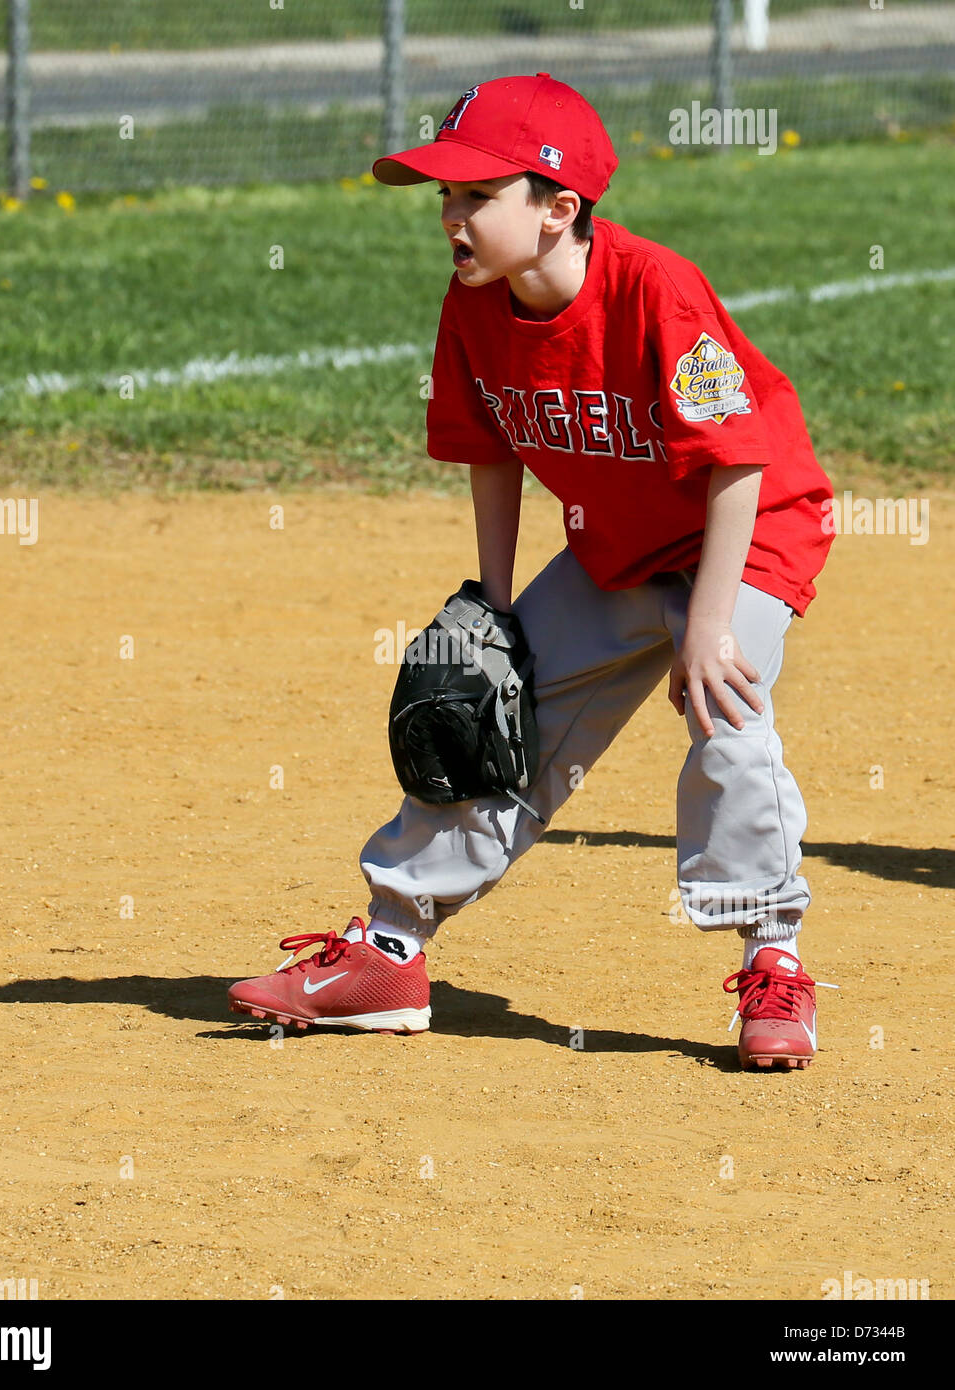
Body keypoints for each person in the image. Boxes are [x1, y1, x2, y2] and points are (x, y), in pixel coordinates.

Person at [230, 73, 834, 1069]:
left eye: (476, 196)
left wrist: (710, 625)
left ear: (558, 211)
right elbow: (491, 451)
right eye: (444, 198)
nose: (451, 220)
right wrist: (496, 608)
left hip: (747, 529)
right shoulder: (472, 306)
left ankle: (773, 957)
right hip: (619, 546)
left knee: (724, 710)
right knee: (483, 720)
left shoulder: (652, 288)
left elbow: (736, 461)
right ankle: (389, 950)